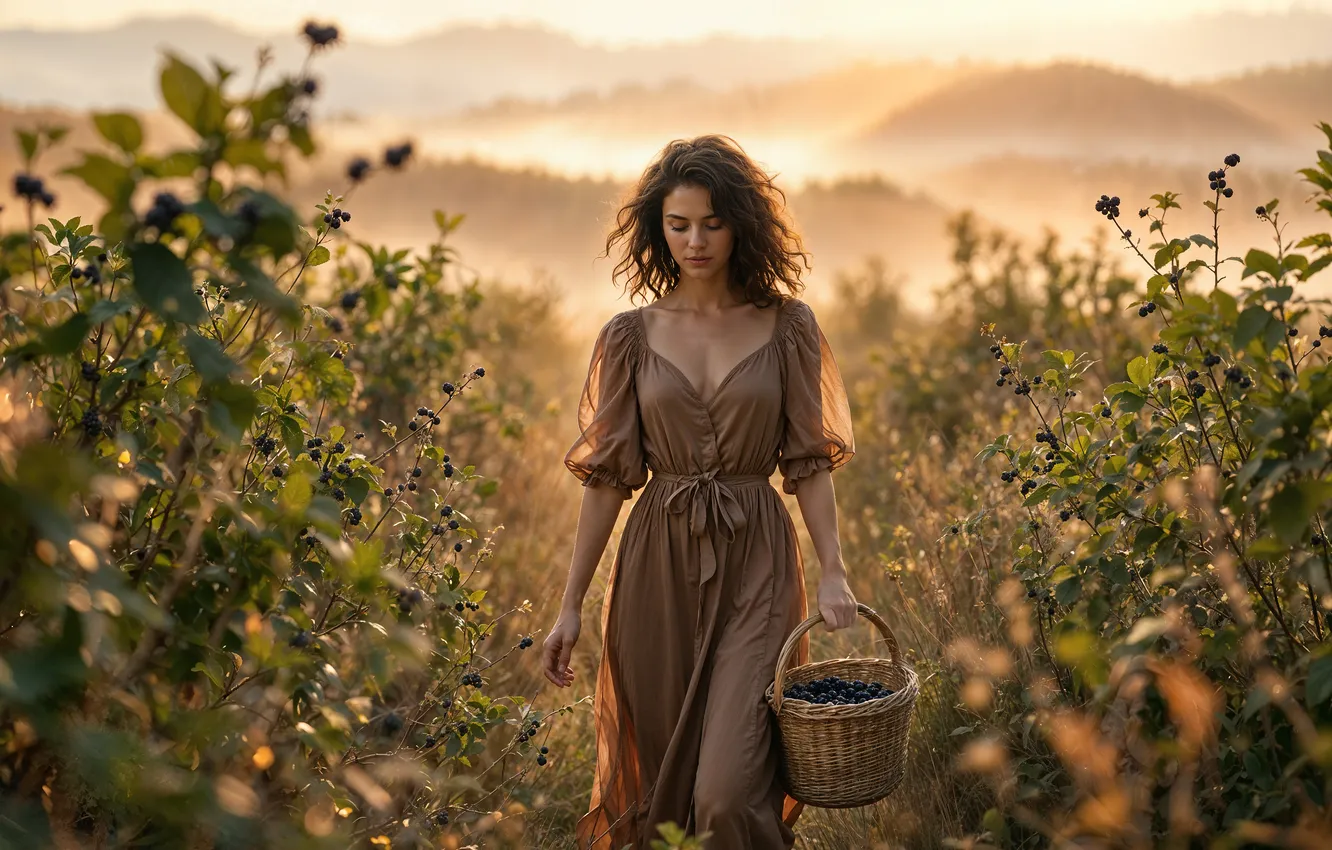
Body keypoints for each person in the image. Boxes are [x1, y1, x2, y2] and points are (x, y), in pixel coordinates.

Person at [542, 134, 857, 850]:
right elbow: (607, 483)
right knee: (666, 795)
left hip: (757, 560)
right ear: (658, 229)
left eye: (712, 222)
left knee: (724, 790)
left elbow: (809, 463)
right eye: (678, 225)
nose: (695, 241)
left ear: (742, 223)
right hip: (656, 566)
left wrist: (834, 569)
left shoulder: (788, 327)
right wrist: (569, 607)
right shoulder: (629, 337)